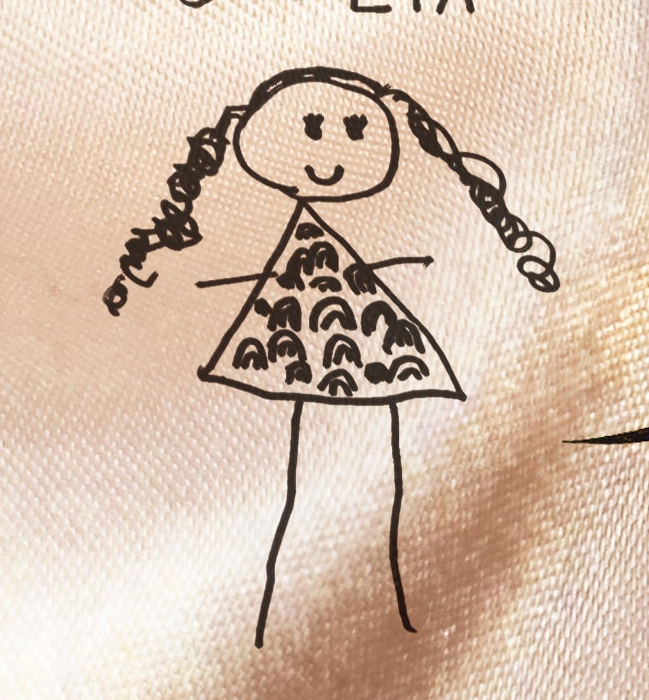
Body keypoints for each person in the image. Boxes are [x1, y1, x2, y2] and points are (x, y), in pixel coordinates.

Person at [103, 65, 557, 647]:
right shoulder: (296, 240)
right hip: (320, 350)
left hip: (367, 348)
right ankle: (293, 623)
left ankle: (357, 616)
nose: (330, 153)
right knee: (315, 485)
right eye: (312, 129)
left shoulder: (367, 239)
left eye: (355, 131)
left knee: (372, 484)